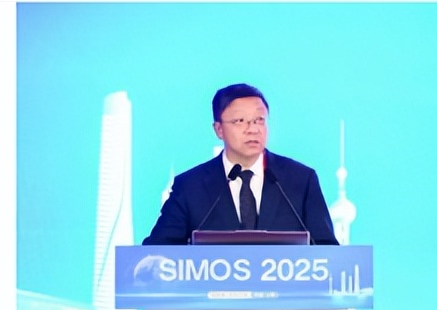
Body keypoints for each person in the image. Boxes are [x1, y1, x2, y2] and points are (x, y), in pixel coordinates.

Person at [143, 83, 337, 245]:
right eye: (240, 121)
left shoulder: (300, 180)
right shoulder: (190, 186)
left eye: (259, 120)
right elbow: (157, 252)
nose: (253, 129)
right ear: (219, 129)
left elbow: (327, 250)